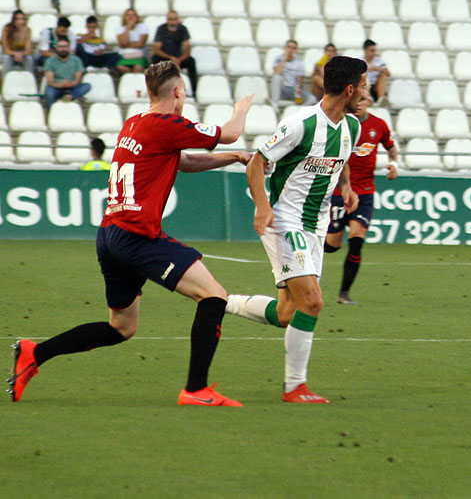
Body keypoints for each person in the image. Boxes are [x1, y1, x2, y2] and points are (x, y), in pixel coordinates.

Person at [7, 60, 254, 406]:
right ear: (178, 91)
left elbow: (182, 162)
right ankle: (196, 390)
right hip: (137, 236)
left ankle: (35, 353)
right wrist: (241, 109)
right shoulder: (168, 123)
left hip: (110, 235)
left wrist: (233, 157)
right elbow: (229, 131)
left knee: (121, 327)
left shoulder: (135, 123)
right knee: (213, 296)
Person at [226, 55, 366, 404]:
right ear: (348, 89)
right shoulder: (300, 124)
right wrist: (263, 207)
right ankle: (295, 386)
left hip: (315, 226)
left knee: (290, 312)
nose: (365, 94)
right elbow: (257, 164)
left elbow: (342, 160)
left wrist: (346, 187)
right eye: (362, 87)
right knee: (313, 302)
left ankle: (220, 302)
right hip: (285, 221)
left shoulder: (352, 127)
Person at [324, 94, 398, 304]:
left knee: (357, 240)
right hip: (339, 191)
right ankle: (306, 249)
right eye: (358, 99)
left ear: (369, 102)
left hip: (365, 191)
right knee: (332, 244)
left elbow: (391, 147)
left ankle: (343, 294)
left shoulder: (379, 125)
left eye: (363, 99)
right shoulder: (342, 123)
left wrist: (395, 165)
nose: (359, 103)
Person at [152, 10, 197, 95]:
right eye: (171, 19)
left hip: (179, 58)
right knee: (154, 60)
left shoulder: (183, 29)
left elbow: (187, 49)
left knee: (191, 61)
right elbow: (156, 49)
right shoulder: (161, 29)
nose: (173, 22)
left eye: (175, 19)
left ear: (178, 20)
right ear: (167, 20)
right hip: (165, 57)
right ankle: (153, 89)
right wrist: (170, 58)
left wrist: (179, 59)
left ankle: (194, 90)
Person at [43, 38, 91, 108]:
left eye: (65, 46)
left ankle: (69, 97)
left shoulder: (76, 60)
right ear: (56, 48)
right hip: (57, 87)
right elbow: (50, 81)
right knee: (49, 92)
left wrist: (70, 84)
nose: (63, 49)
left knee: (87, 86)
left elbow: (77, 80)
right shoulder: (50, 61)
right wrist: (59, 85)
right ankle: (51, 112)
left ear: (69, 48)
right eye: (60, 47)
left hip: (72, 87)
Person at [271, 39, 315, 109]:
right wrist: (285, 58)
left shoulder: (299, 62)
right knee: (277, 77)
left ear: (296, 50)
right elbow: (276, 72)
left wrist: (299, 91)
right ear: (285, 48)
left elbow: (300, 79)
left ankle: (300, 110)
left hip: (293, 89)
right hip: (282, 88)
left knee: (312, 99)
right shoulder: (279, 58)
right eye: (289, 47)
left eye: (293, 48)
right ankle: (274, 103)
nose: (291, 50)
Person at [115, 8, 148, 74]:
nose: (131, 17)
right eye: (128, 15)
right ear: (125, 17)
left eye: (133, 15)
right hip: (124, 56)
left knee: (138, 67)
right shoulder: (120, 29)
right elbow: (123, 42)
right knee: (120, 67)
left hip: (138, 56)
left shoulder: (143, 27)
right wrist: (128, 28)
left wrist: (126, 45)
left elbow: (140, 44)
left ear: (137, 17)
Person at [2, 9, 34, 75]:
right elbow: (5, 49)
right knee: (7, 58)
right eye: (18, 19)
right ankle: (5, 79)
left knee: (29, 58)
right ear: (14, 21)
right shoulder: (6, 29)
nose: (21, 21)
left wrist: (21, 54)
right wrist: (15, 54)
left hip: (22, 54)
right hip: (9, 53)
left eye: (23, 19)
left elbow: (28, 50)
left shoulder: (28, 30)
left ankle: (31, 78)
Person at [363, 39, 390, 105]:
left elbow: (388, 73)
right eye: (372, 51)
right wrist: (368, 70)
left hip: (376, 86)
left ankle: (381, 99)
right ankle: (369, 99)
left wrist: (378, 69)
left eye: (375, 50)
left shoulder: (379, 61)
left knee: (382, 75)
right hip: (365, 85)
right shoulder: (361, 61)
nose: (374, 53)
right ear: (365, 50)